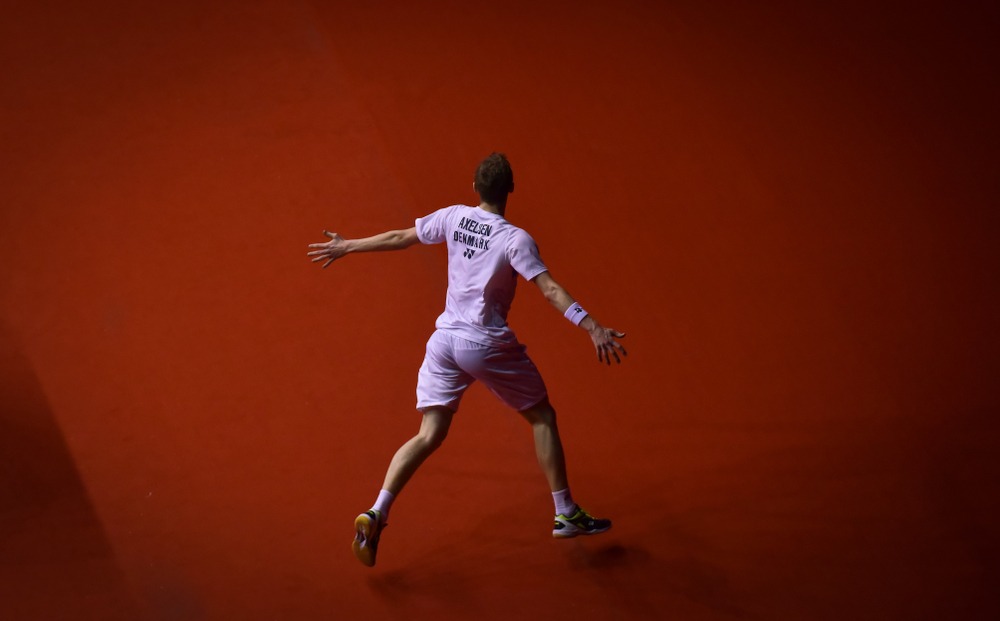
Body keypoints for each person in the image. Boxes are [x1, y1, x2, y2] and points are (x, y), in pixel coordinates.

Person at [308, 153, 627, 567]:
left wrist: (347, 245)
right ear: (509, 190)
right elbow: (548, 290)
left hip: (443, 342)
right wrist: (592, 327)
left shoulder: (455, 217)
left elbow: (400, 237)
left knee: (428, 434)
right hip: (485, 343)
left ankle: (377, 511)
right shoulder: (515, 239)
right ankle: (565, 512)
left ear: (474, 187)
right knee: (542, 417)